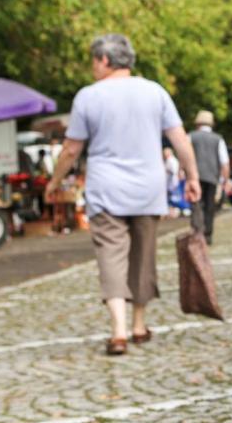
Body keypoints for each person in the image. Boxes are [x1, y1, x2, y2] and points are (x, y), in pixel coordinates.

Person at [44, 33, 200, 356]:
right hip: (148, 188)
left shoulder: (88, 96)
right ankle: (139, 325)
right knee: (143, 254)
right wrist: (193, 177)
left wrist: (54, 181)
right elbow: (180, 139)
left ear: (104, 60)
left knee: (110, 255)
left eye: (93, 61)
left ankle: (118, 332)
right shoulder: (155, 91)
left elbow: (71, 149)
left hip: (106, 189)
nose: (92, 67)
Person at [189, 110, 229, 245]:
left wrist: (183, 171)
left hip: (194, 176)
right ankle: (208, 234)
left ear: (198, 123)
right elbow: (224, 162)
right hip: (212, 176)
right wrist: (224, 180)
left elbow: (185, 156)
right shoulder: (218, 139)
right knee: (209, 205)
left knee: (196, 204)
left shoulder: (191, 136)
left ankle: (197, 232)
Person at [163, 147, 181, 218]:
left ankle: (173, 212)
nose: (164, 154)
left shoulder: (171, 160)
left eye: (165, 153)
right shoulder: (172, 160)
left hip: (172, 182)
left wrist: (166, 170)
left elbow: (173, 171)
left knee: (172, 198)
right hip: (171, 182)